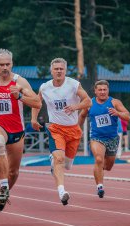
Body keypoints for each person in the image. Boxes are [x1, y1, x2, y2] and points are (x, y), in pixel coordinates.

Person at [0, 49, 41, 212]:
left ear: (12, 64)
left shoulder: (20, 82)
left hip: (17, 130)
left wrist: (19, 97)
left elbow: (37, 102)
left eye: (8, 64)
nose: (5, 67)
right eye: (1, 64)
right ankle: (3, 185)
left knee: (14, 172)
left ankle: (5, 192)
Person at [31, 58, 91, 205]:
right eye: (56, 69)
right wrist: (34, 119)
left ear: (65, 71)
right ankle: (62, 191)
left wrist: (75, 107)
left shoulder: (73, 84)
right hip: (55, 128)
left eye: (61, 69)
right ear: (51, 71)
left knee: (68, 165)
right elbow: (36, 103)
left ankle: (55, 163)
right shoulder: (44, 87)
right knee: (59, 159)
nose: (58, 71)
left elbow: (88, 101)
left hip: (73, 129)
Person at [78, 80, 130, 198]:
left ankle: (99, 170)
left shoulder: (115, 102)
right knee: (98, 159)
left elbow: (128, 116)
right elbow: (81, 116)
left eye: (104, 90)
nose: (102, 92)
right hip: (96, 137)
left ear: (108, 90)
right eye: (100, 90)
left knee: (108, 167)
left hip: (112, 138)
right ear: (95, 91)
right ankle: (100, 187)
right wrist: (77, 130)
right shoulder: (89, 103)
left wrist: (118, 113)